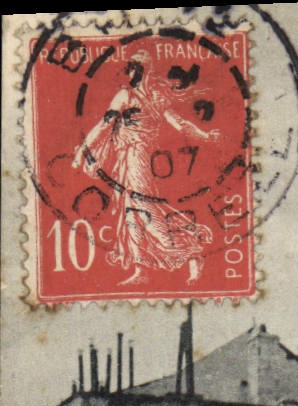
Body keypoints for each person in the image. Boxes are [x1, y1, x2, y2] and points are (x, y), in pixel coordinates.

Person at [74, 50, 222, 285]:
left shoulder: (149, 97)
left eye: (133, 68)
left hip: (138, 156)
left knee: (144, 208)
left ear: (142, 70)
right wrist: (84, 149)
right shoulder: (126, 95)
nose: (129, 72)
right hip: (124, 159)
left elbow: (181, 125)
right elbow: (103, 125)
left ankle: (190, 252)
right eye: (129, 68)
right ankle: (141, 269)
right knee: (129, 210)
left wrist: (206, 136)